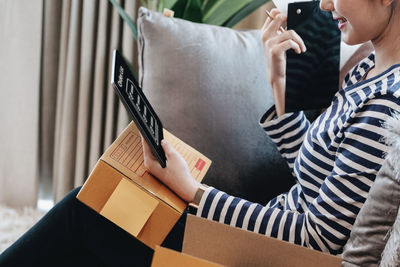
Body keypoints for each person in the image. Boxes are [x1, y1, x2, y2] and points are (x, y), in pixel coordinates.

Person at [1, 0, 400, 265]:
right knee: (101, 202)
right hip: (256, 237)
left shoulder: (387, 106)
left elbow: (317, 240)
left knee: (86, 215)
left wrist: (193, 192)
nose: (326, 3)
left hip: (254, 256)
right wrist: (278, 86)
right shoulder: (370, 68)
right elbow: (316, 178)